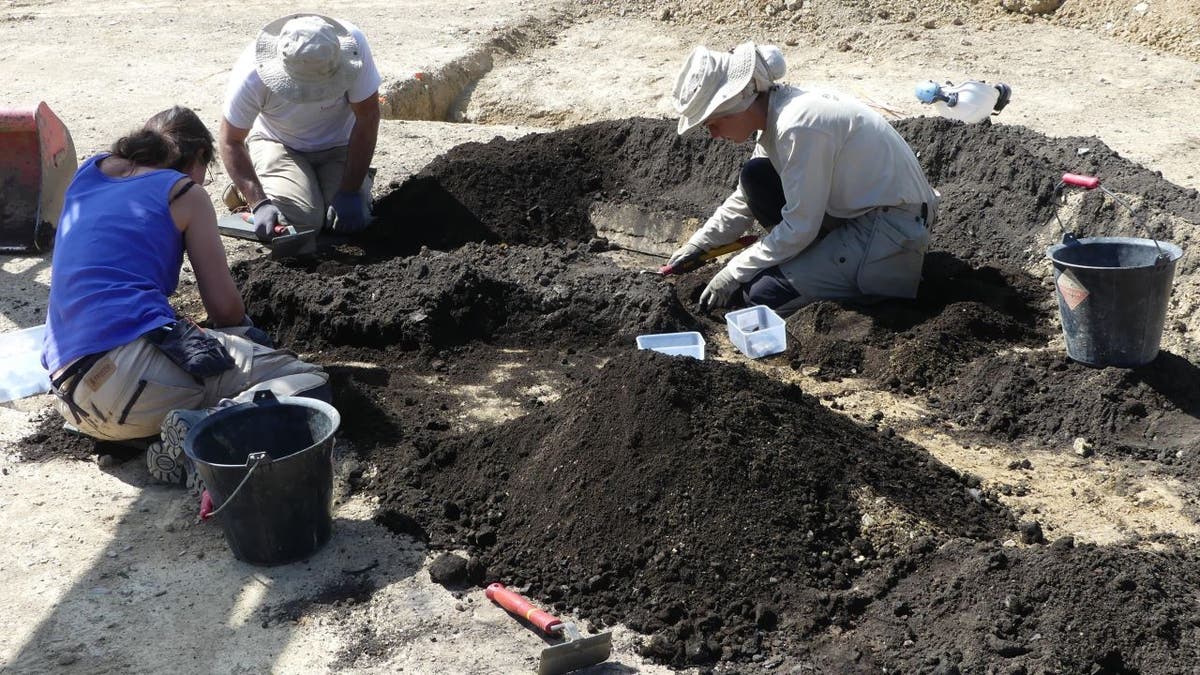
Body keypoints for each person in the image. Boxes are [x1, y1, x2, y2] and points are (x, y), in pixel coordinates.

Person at [41, 106, 330, 486]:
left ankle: (157, 432)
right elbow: (225, 310)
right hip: (129, 385)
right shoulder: (185, 194)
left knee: (184, 357)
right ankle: (202, 429)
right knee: (309, 382)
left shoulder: (90, 172)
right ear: (196, 160)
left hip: (71, 397)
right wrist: (247, 341)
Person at [668, 42, 939, 316]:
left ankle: (871, 284)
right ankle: (816, 262)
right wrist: (699, 244)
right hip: (857, 213)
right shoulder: (777, 116)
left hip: (890, 227)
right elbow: (743, 201)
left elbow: (800, 227)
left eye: (713, 122)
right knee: (756, 177)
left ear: (738, 103)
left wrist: (733, 272)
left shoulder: (797, 125)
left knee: (759, 296)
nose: (713, 134)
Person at [219, 13, 382, 242]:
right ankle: (246, 190)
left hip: (340, 145)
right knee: (302, 224)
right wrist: (259, 202)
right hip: (278, 142)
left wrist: (349, 190)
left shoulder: (354, 48)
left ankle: (349, 184)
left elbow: (368, 116)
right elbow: (230, 140)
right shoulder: (252, 72)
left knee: (349, 220)